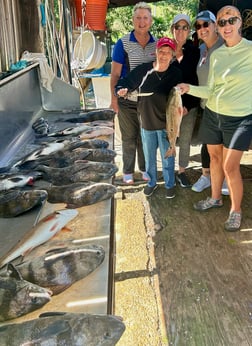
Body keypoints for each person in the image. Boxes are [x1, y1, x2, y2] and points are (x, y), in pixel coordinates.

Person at [178, 5, 252, 231]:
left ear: (240, 22)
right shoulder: (217, 55)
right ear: (217, 27)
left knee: (231, 166)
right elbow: (210, 90)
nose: (227, 25)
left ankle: (235, 210)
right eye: (222, 22)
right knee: (214, 159)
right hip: (213, 114)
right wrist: (188, 88)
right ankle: (216, 197)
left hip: (240, 118)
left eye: (231, 20)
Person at [115, 37, 182, 198]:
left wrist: (184, 107)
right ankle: (151, 183)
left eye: (168, 52)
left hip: (168, 125)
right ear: (156, 52)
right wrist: (122, 89)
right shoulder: (144, 70)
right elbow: (125, 82)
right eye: (161, 51)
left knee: (168, 158)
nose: (164, 55)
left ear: (172, 55)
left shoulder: (176, 73)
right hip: (147, 123)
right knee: (149, 158)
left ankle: (169, 184)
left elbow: (181, 96)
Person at [110, 2, 157, 184]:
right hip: (126, 100)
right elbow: (114, 74)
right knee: (129, 137)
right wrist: (114, 100)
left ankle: (145, 169)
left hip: (148, 102)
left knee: (144, 137)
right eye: (138, 18)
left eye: (145, 18)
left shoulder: (157, 45)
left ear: (151, 21)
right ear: (133, 20)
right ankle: (128, 171)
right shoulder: (123, 43)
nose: (142, 21)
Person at [190, 10, 225, 193]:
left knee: (223, 146)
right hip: (205, 105)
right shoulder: (201, 49)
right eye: (198, 26)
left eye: (206, 24)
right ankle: (206, 176)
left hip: (222, 106)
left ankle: (223, 178)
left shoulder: (225, 46)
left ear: (215, 25)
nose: (202, 29)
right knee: (207, 143)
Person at [171, 14, 200, 188]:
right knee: (170, 137)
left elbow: (197, 81)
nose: (180, 31)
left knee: (186, 139)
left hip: (190, 105)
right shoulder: (165, 48)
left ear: (189, 31)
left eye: (185, 27)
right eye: (177, 27)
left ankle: (181, 171)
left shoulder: (195, 52)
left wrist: (187, 106)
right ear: (172, 29)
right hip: (170, 106)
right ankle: (168, 169)